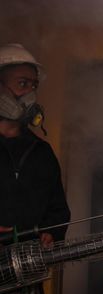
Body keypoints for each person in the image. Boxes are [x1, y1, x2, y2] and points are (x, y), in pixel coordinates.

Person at [0, 43, 70, 247]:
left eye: (34, 85)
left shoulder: (41, 153)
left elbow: (58, 210)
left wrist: (51, 232)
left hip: (26, 274)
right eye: (22, 84)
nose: (30, 93)